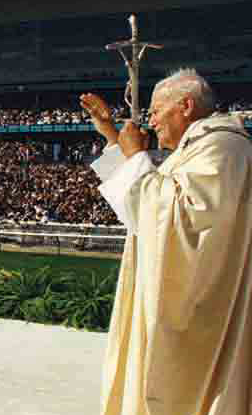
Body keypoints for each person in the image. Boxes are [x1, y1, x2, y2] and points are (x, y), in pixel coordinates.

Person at [82, 68, 252, 415]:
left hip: (206, 309)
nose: (152, 121)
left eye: (157, 111)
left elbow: (182, 220)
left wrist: (134, 157)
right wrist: (113, 138)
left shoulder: (224, 147)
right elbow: (142, 212)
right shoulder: (199, 147)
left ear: (186, 105)